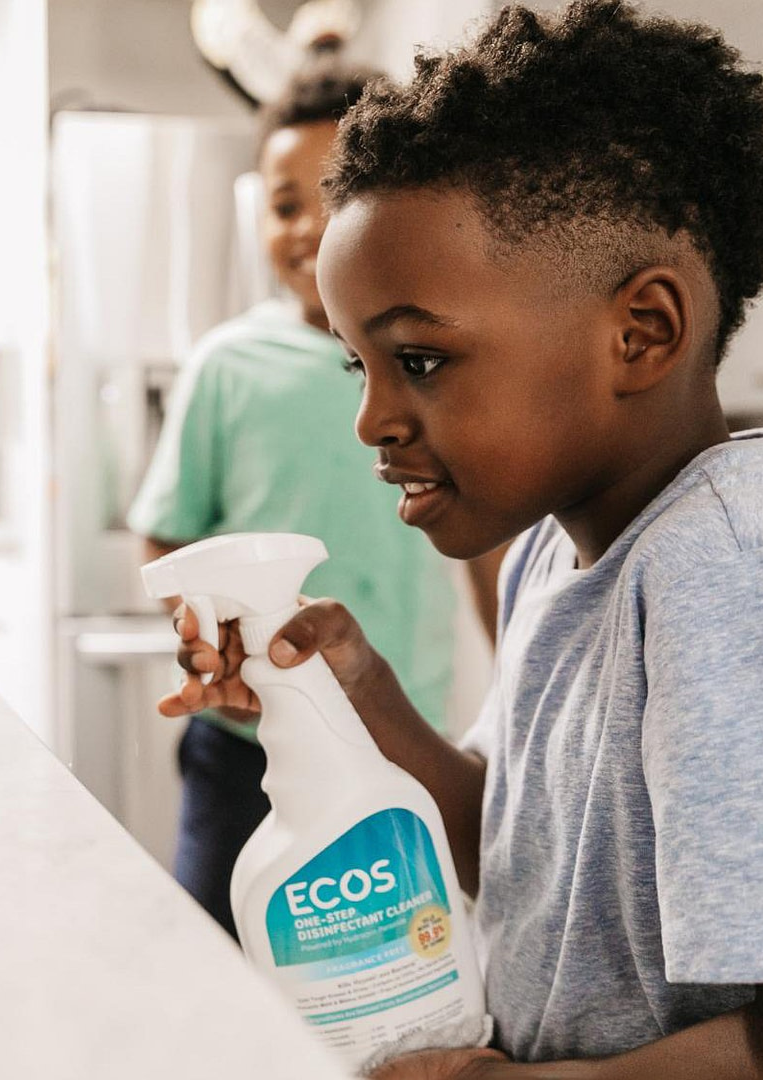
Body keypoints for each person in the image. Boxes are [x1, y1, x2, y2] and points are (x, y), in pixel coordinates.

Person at [161, 3, 763, 1077]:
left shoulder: (742, 580)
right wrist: (355, 689)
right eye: (359, 367)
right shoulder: (565, 551)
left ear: (640, 332)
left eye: (418, 361)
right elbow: (513, 857)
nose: (371, 421)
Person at [128, 62, 498, 940]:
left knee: (392, 964)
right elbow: (165, 539)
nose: (304, 228)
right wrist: (212, 643)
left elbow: (486, 547)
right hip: (247, 749)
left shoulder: (438, 366)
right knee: (222, 961)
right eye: (283, 204)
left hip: (400, 737)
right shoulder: (228, 366)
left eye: (331, 198)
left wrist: (514, 672)